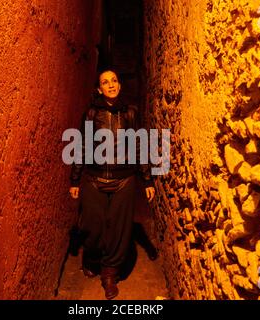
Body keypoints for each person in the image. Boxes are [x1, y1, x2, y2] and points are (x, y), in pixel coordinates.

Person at [68, 69, 155, 299]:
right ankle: (92, 257)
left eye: (114, 80)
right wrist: (75, 178)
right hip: (94, 179)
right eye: (105, 82)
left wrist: (147, 179)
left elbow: (139, 146)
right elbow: (82, 146)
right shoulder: (90, 114)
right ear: (99, 88)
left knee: (119, 230)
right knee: (92, 227)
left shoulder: (130, 113)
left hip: (123, 179)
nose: (111, 84)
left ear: (119, 85)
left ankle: (109, 274)